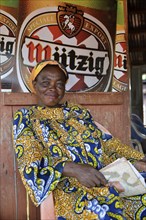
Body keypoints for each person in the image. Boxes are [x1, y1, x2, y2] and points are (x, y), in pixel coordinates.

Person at [12, 59, 146, 220]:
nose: (52, 89)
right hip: (71, 188)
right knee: (103, 214)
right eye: (45, 83)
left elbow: (106, 143)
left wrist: (136, 161)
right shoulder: (27, 117)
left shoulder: (78, 112)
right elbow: (29, 161)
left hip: (106, 176)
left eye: (59, 84)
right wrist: (74, 169)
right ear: (34, 85)